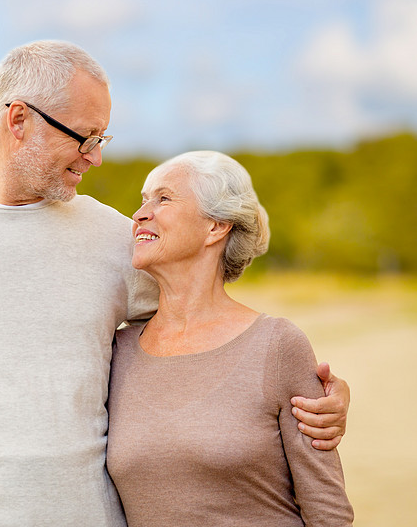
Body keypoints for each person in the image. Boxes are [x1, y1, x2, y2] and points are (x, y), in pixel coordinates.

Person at [0, 41, 349, 527]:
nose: (97, 157)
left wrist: (319, 400)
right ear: (19, 121)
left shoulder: (115, 238)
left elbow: (208, 332)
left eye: (102, 137)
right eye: (84, 137)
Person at [107, 151, 353, 525]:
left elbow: (328, 509)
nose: (140, 214)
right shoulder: (117, 351)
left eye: (163, 198)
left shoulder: (277, 344)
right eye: (143, 200)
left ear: (216, 227)